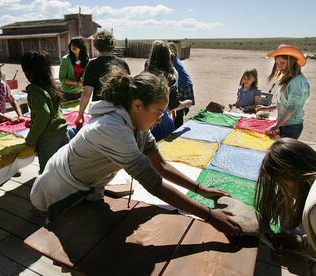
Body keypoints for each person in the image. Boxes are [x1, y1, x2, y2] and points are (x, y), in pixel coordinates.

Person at [30, 66, 242, 236]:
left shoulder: (137, 126)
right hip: (63, 187)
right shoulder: (111, 128)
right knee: (70, 241)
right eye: (159, 112)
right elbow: (154, 183)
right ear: (138, 105)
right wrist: (210, 216)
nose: (161, 119)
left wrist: (201, 190)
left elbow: (162, 166)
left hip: (88, 184)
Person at [254, 138, 316, 275]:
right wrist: (299, 243)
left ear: (289, 175)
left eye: (280, 185)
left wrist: (299, 264)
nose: (282, 192)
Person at [21, 51, 70, 173]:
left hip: (49, 138)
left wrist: (31, 139)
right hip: (63, 131)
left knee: (48, 172)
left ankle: (49, 192)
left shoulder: (34, 89)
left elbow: (44, 114)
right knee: (63, 168)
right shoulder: (50, 84)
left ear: (28, 72)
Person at [75, 30, 130, 125]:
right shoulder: (122, 63)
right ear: (112, 44)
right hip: (120, 112)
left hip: (100, 114)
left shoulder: (92, 65)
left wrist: (80, 114)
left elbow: (86, 94)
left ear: (96, 46)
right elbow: (129, 91)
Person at [256, 45, 310, 139]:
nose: (279, 67)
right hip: (284, 124)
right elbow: (284, 104)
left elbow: (291, 108)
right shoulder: (289, 79)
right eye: (277, 64)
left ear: (292, 63)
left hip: (291, 126)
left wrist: (276, 125)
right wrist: (266, 108)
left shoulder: (296, 82)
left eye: (282, 63)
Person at [146, 41, 192, 140]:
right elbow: (173, 105)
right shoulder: (170, 76)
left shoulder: (145, 74)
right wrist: (187, 103)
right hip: (161, 122)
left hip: (144, 121)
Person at [168, 42, 195, 129]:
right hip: (185, 83)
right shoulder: (176, 59)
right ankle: (178, 124)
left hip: (183, 84)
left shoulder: (172, 60)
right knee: (178, 108)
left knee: (177, 107)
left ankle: (178, 127)